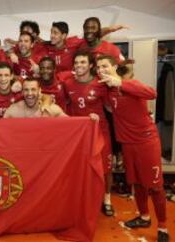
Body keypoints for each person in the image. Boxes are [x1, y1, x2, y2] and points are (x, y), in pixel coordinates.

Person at [96, 55, 169, 242]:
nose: (101, 69)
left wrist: (120, 82)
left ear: (114, 67)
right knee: (136, 182)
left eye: (105, 65)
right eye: (98, 67)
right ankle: (144, 217)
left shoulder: (130, 84)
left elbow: (152, 93)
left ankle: (163, 227)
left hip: (146, 142)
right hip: (127, 144)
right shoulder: (106, 91)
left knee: (155, 186)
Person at [62, 50, 114, 215]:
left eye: (83, 62)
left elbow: (110, 108)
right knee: (82, 168)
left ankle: (107, 199)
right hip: (80, 135)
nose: (79, 66)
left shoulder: (101, 83)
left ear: (91, 65)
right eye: (76, 63)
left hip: (100, 131)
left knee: (105, 168)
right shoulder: (68, 84)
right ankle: (85, 198)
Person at [46, 21, 127, 72]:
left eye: (55, 33)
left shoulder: (73, 42)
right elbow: (41, 42)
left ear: (63, 35)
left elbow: (93, 35)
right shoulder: (48, 48)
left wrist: (110, 29)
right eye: (51, 32)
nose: (51, 35)